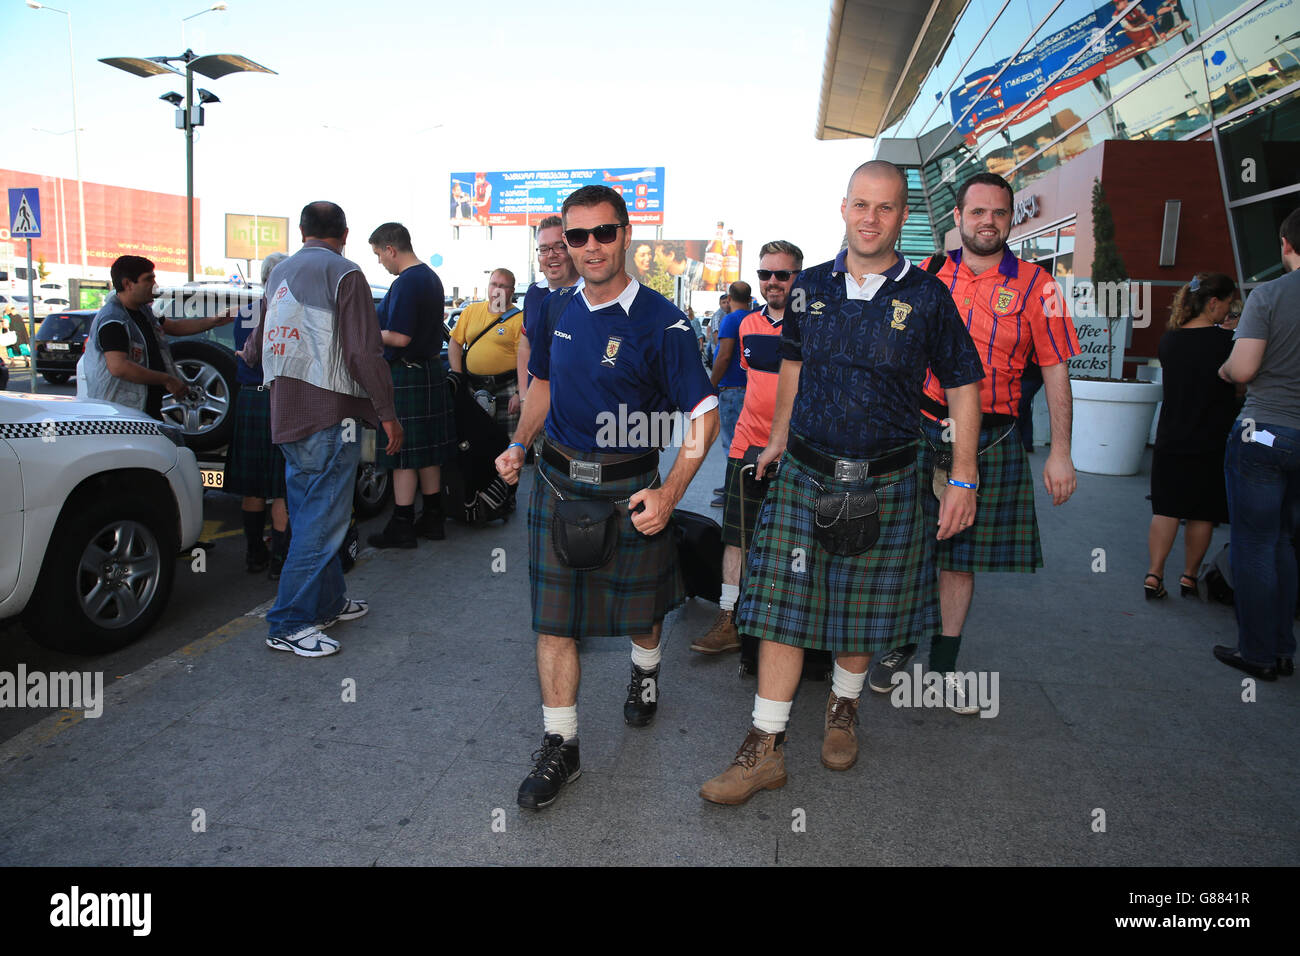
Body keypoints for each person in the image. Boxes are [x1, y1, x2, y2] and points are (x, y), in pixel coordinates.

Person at [699, 161, 984, 805]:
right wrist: (775, 440)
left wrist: (962, 475)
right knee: (780, 611)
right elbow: (793, 362)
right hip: (805, 470)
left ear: (902, 216)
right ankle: (765, 746)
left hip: (888, 476)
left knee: (862, 608)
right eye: (861, 204)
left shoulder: (930, 297)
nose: (870, 218)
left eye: (885, 208)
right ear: (844, 205)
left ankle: (844, 708)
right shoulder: (808, 288)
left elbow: (965, 383)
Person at [495, 184, 719, 810]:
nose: (590, 247)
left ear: (626, 236)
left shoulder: (662, 322)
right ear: (565, 241)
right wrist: (519, 444)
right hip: (556, 482)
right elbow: (541, 385)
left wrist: (671, 491)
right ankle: (561, 746)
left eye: (604, 233)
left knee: (642, 609)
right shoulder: (550, 307)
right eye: (577, 235)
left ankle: (645, 672)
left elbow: (704, 414)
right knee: (553, 620)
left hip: (631, 486)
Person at [867, 171, 1080, 712]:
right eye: (978, 212)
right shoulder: (925, 276)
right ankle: (895, 646)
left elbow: (1055, 369)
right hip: (916, 427)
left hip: (990, 437)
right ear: (957, 218)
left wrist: (1060, 451)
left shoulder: (1040, 286)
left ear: (1011, 220)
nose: (989, 222)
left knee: (959, 559)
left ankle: (941, 670)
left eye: (999, 213)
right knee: (903, 546)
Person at [239, 201, 403, 658]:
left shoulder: (279, 272)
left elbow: (262, 333)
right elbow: (363, 353)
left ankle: (329, 602)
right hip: (331, 416)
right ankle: (289, 622)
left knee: (317, 513)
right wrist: (386, 412)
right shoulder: (345, 274)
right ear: (345, 234)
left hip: (287, 413)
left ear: (303, 230)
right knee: (321, 522)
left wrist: (249, 356)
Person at [692, 241, 802, 655]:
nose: (772, 282)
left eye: (782, 274)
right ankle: (728, 618)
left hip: (797, 452)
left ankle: (785, 623)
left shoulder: (813, 325)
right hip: (747, 446)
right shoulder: (746, 324)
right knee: (736, 535)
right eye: (765, 274)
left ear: (798, 278)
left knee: (794, 539)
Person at [1216, 207, 1300, 680]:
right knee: (1285, 540)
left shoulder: (1268, 295)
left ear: (1286, 245)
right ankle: (1284, 648)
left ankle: (1258, 653)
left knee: (1254, 543)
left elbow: (1243, 371)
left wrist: (1225, 369)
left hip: (1265, 432)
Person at [1145, 272, 1238, 601]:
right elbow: (1239, 384)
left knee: (1166, 508)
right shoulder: (1228, 344)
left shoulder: (1170, 340)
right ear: (1214, 303)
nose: (1229, 312)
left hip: (1171, 435)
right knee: (1202, 512)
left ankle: (1154, 574)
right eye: (1228, 304)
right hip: (1212, 438)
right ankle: (1189, 576)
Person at [366, 222, 456, 548]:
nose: (379, 262)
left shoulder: (407, 281)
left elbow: (400, 336)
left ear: (391, 249)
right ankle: (432, 517)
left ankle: (402, 524)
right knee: (428, 451)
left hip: (406, 373)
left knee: (401, 449)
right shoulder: (431, 277)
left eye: (378, 254)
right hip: (429, 370)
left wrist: (364, 336)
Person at [78, 255, 231, 419]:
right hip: (122, 412)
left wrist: (213, 321)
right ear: (128, 284)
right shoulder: (113, 320)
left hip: (143, 407)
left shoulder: (144, 311)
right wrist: (166, 380)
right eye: (148, 279)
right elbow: (119, 367)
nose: (155, 285)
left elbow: (174, 327)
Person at [226, 251, 291, 576]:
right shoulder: (291, 312)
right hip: (280, 399)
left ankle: (255, 555)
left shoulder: (248, 312)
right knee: (281, 485)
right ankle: (279, 562)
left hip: (250, 399)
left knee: (253, 485)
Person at [449, 268, 524, 436]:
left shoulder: (520, 319)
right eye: (493, 284)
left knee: (507, 443)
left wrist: (519, 393)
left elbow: (525, 359)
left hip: (507, 387)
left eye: (503, 286)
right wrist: (457, 375)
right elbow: (454, 343)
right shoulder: (470, 311)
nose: (497, 290)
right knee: (474, 440)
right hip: (472, 386)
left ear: (512, 291)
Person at [519, 216, 581, 412]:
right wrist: (523, 397)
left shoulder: (592, 294)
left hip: (575, 412)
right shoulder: (533, 294)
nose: (551, 255)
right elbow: (525, 347)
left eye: (559, 247)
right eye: (544, 249)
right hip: (537, 410)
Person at [708, 282, 751, 507]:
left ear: (730, 298)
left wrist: (710, 384)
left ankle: (734, 493)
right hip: (748, 389)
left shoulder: (732, 319)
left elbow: (724, 356)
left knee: (732, 444)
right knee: (743, 443)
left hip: (732, 390)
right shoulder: (754, 317)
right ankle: (733, 485)